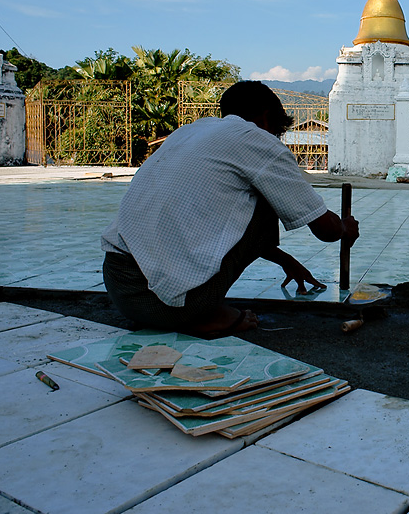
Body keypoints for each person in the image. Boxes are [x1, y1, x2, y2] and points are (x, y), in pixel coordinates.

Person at [101, 80, 359, 337]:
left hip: (120, 288)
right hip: (168, 305)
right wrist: (344, 227)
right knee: (265, 196)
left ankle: (189, 311)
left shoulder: (188, 132)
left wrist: (286, 260)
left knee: (247, 192)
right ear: (267, 118)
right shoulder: (259, 141)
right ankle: (200, 317)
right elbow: (324, 230)